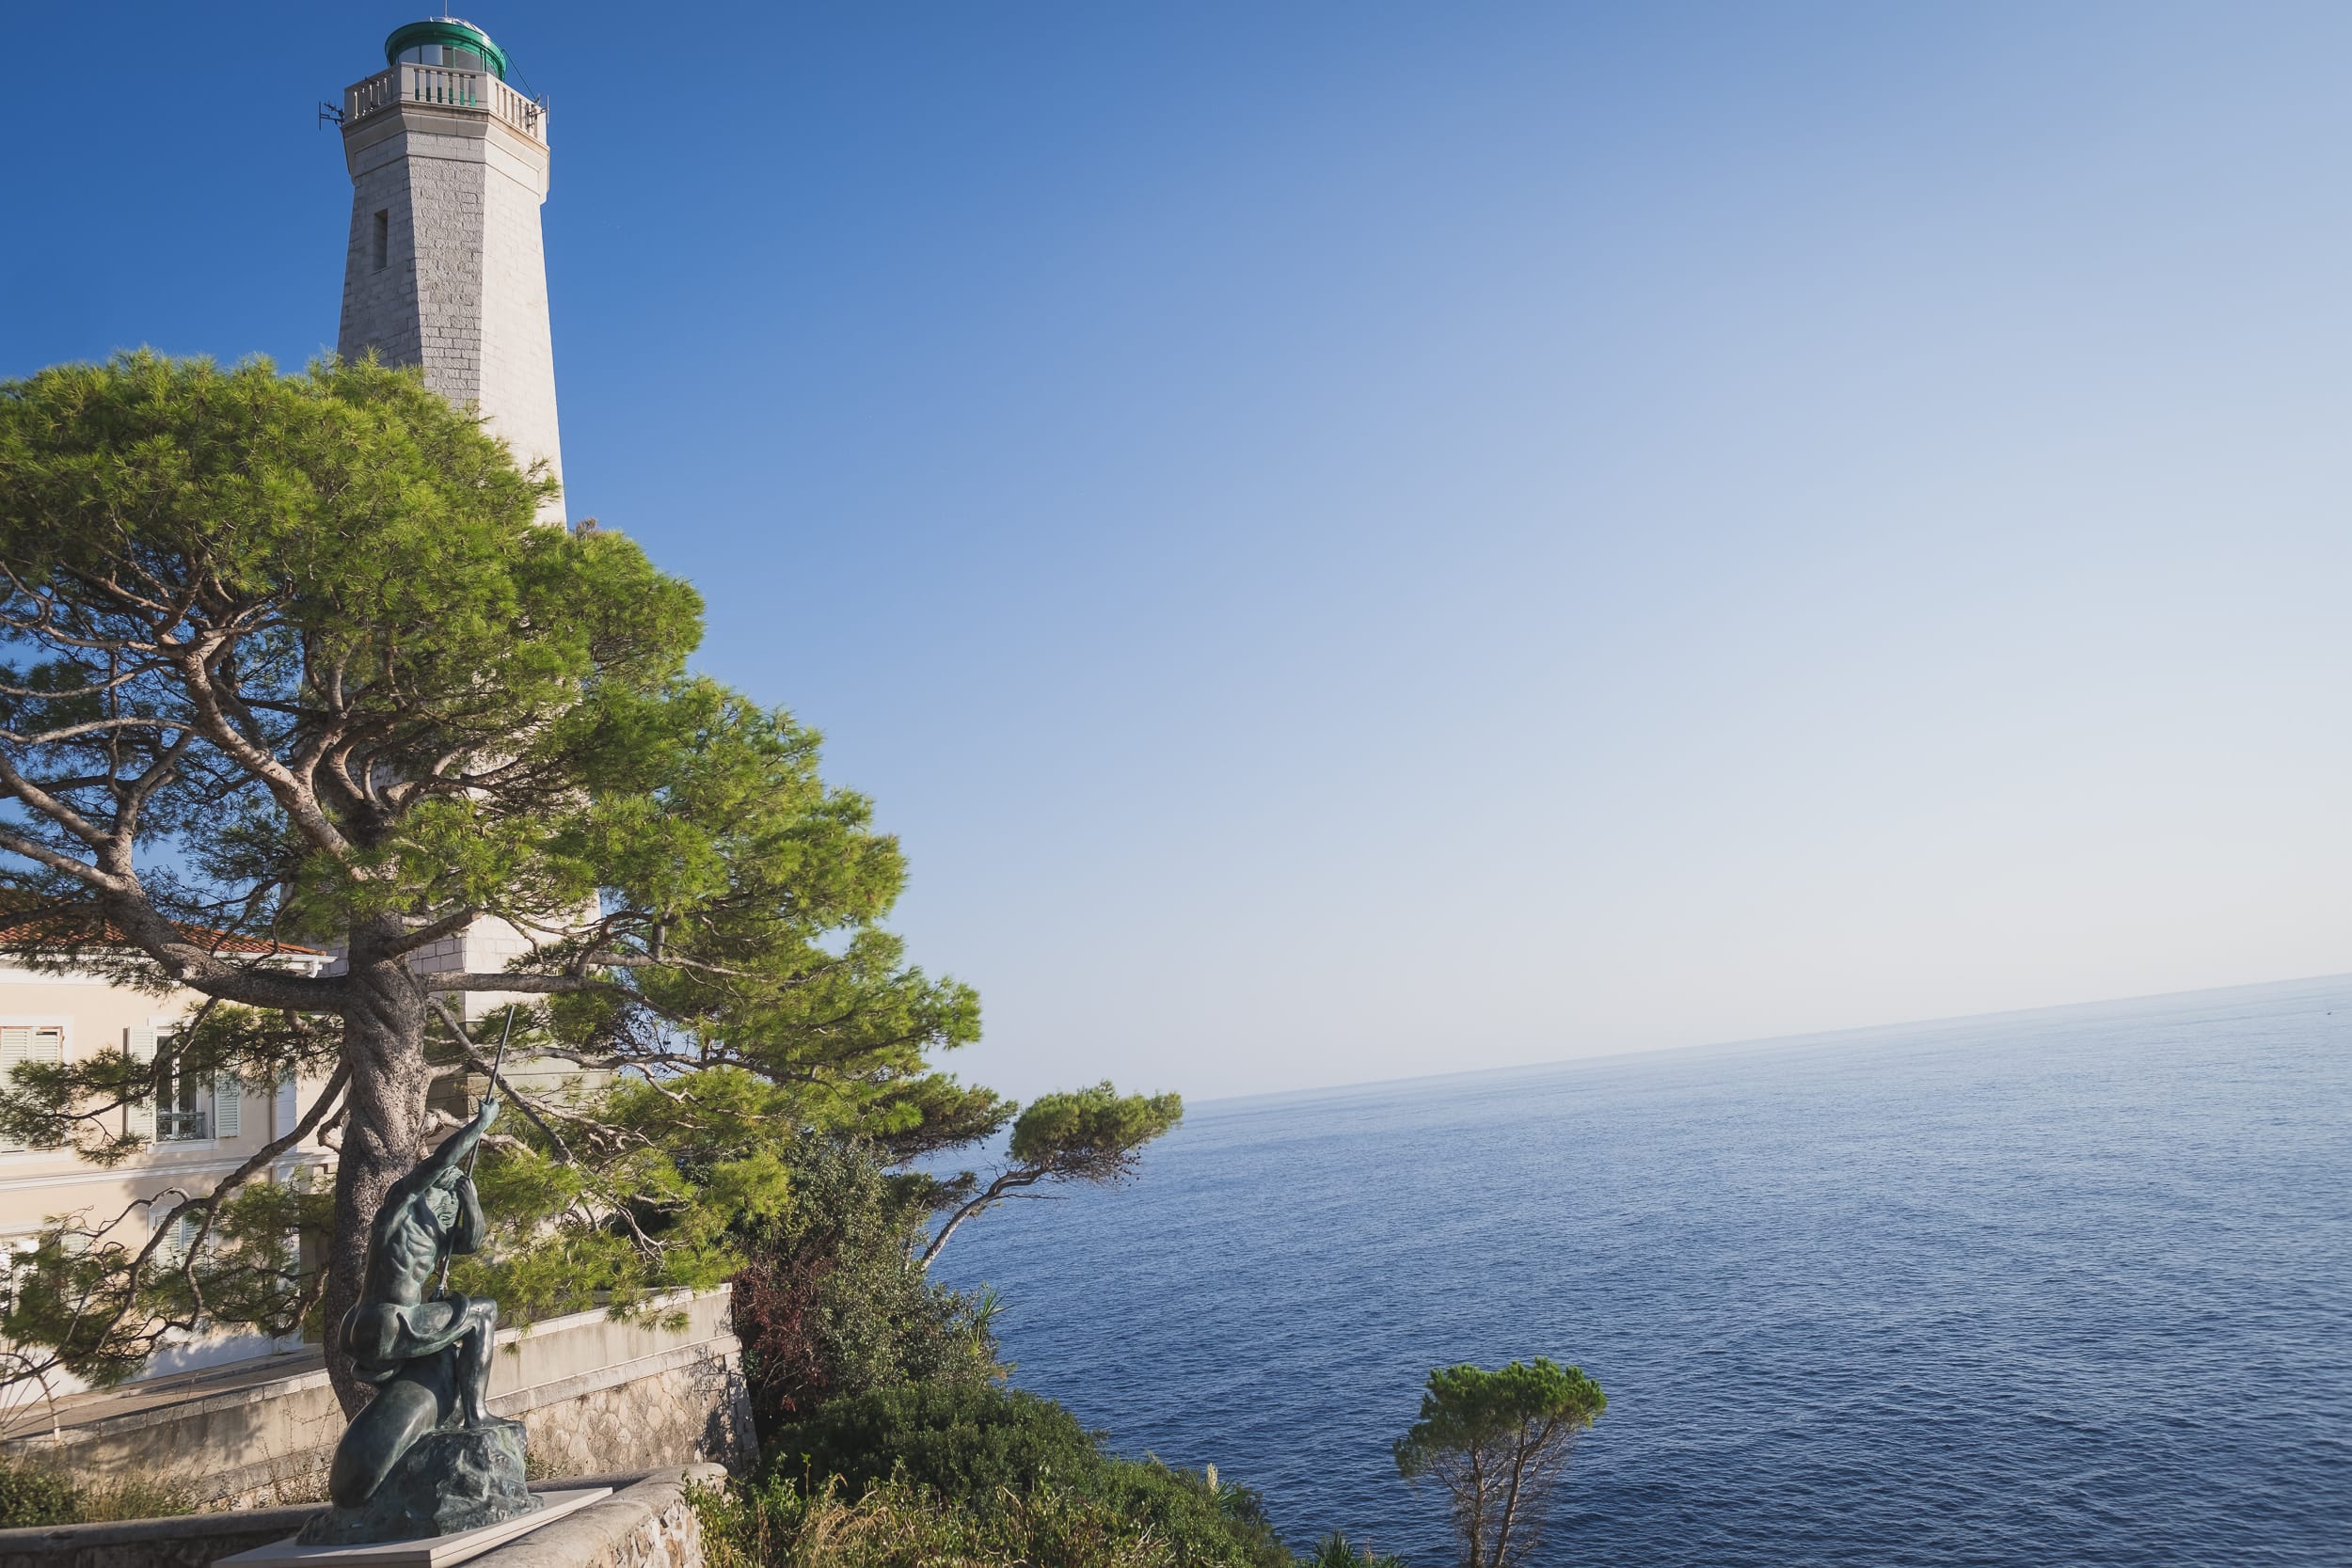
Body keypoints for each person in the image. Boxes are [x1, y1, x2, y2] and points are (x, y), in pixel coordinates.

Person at [326, 1094, 504, 1510]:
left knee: (441, 1363)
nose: (448, 1204)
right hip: (390, 1321)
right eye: (447, 1195)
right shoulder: (400, 1206)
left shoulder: (434, 1232)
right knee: (484, 1312)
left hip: (368, 1322)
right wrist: (479, 1125)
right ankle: (477, 1414)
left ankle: (407, 1445)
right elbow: (438, 1162)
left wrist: (471, 1198)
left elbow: (470, 1242)